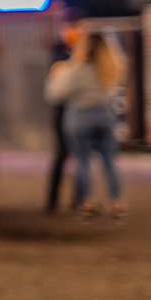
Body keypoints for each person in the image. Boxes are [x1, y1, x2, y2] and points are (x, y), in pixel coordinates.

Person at [45, 28, 127, 220]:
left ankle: (87, 202)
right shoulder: (113, 67)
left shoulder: (76, 69)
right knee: (109, 162)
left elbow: (54, 95)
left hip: (80, 117)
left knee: (82, 161)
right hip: (106, 116)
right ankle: (116, 202)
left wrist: (54, 76)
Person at [44, 8, 86, 214]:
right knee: (61, 154)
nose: (75, 31)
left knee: (81, 155)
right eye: (71, 27)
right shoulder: (58, 50)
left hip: (81, 108)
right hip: (62, 109)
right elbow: (57, 77)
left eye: (78, 27)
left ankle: (79, 199)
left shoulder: (85, 50)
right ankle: (52, 201)